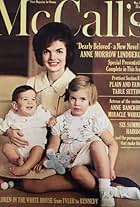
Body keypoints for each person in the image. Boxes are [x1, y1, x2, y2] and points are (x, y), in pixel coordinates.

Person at [6, 22, 114, 193]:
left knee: (69, 177)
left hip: (75, 152)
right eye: (46, 51)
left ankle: (99, 181)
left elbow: (106, 131)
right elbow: (17, 114)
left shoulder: (79, 87)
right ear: (40, 54)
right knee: (29, 184)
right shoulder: (32, 83)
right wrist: (9, 130)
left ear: (68, 53)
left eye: (59, 51)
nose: (52, 57)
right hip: (43, 151)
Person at [42, 75, 140, 207]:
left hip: (95, 157)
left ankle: (105, 190)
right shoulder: (60, 121)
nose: (77, 103)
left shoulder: (93, 118)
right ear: (68, 97)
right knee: (77, 173)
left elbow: (112, 144)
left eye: (82, 99)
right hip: (75, 160)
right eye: (73, 98)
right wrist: (50, 154)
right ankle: (115, 192)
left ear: (90, 101)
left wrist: (110, 167)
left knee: (97, 144)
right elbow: (54, 142)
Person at [1, 85, 54, 176]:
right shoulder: (12, 115)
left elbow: (50, 119)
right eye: (25, 99)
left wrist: (51, 120)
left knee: (38, 149)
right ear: (15, 105)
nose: (30, 102)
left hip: (35, 149)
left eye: (33, 99)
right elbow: (2, 128)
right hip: (18, 149)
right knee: (6, 147)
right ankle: (17, 160)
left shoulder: (40, 112)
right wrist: (7, 130)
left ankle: (25, 168)